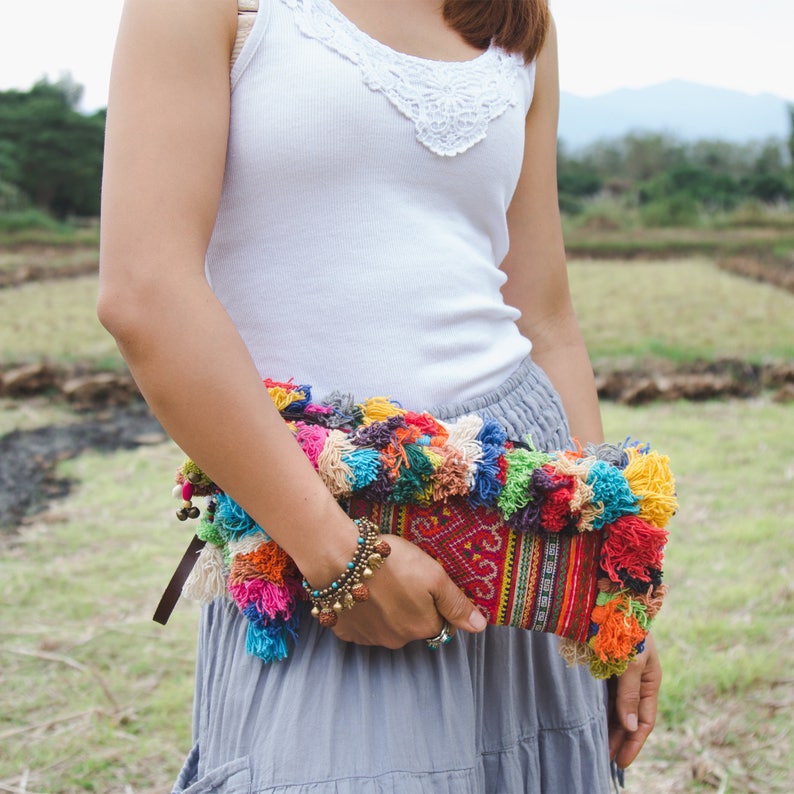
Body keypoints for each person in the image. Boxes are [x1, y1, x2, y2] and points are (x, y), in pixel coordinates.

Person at [98, 0, 662, 791]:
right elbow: (146, 294)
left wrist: (610, 588)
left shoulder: (517, 18)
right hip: (316, 499)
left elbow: (547, 317)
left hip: (519, 500)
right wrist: (335, 556)